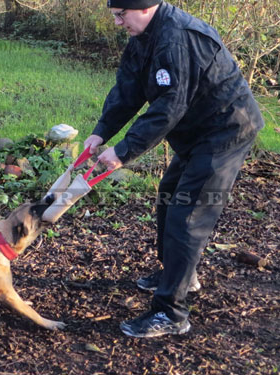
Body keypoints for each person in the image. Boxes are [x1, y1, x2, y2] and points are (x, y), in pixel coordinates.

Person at [84, 0, 264, 338]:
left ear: (145, 7)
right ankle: (178, 274)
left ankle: (171, 313)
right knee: (169, 196)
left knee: (189, 213)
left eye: (120, 15)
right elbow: (128, 88)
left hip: (225, 131)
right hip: (197, 131)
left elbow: (170, 105)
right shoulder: (145, 36)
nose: (118, 23)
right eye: (114, 16)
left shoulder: (176, 38)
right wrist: (101, 132)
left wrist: (124, 151)